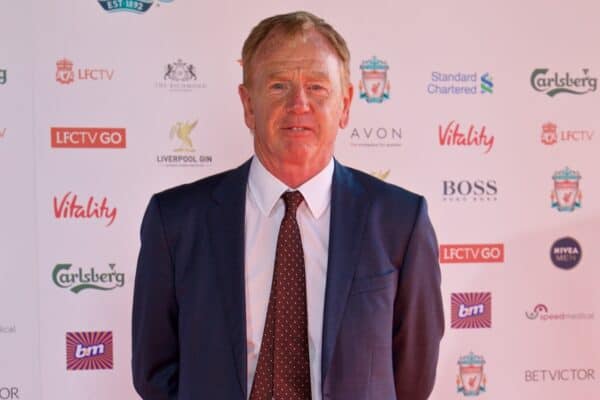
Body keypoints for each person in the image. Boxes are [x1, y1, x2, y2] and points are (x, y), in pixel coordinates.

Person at [132, 11, 444, 400]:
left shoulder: (400, 222)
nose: (299, 103)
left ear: (345, 104)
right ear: (248, 104)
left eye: (317, 87)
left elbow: (412, 378)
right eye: (279, 85)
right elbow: (154, 371)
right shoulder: (176, 220)